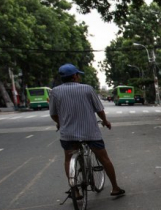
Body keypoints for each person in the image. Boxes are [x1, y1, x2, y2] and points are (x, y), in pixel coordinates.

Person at [49, 63, 125, 198]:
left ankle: (75, 190)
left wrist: (60, 123)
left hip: (68, 134)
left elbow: (53, 114)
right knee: (104, 158)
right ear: (74, 76)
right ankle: (115, 187)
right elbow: (99, 110)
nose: (79, 77)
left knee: (68, 158)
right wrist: (105, 121)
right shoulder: (87, 89)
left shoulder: (55, 91)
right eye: (78, 75)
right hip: (90, 132)